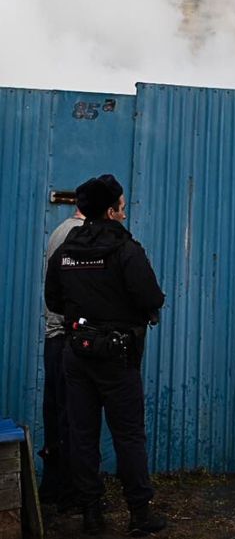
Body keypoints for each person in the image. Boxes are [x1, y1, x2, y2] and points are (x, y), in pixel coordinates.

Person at [46, 175, 167, 535]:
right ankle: (139, 514)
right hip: (117, 356)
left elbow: (53, 300)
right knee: (128, 435)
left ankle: (91, 514)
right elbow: (151, 298)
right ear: (111, 210)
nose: (125, 213)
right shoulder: (126, 250)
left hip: (77, 352)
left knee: (82, 434)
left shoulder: (66, 250)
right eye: (123, 207)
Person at [38, 207, 83, 513]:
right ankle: (69, 494)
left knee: (56, 414)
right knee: (72, 418)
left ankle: (53, 489)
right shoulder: (76, 236)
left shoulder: (58, 230)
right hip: (66, 338)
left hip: (54, 338)